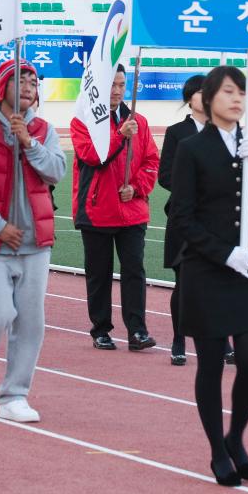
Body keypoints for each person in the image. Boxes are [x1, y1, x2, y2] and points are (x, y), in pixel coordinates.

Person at [168, 65, 248, 486]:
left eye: (242, 93)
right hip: (206, 269)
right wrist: (223, 253)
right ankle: (218, 451)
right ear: (209, 97)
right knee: (212, 365)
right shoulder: (193, 149)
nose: (237, 100)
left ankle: (236, 436)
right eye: (228, 92)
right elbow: (180, 216)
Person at [0, 60, 67, 422]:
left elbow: (55, 171)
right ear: (2, 86)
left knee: (31, 323)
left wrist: (28, 143)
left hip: (35, 243)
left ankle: (14, 396)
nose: (28, 86)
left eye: (33, 82)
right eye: (20, 80)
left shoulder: (42, 130)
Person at [71, 65, 160, 352]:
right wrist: (120, 135)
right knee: (99, 273)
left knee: (134, 270)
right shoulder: (83, 121)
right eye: (112, 85)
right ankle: (101, 329)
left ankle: (137, 331)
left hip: (131, 211)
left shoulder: (139, 122)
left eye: (122, 84)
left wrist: (136, 188)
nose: (118, 90)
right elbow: (92, 156)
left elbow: (151, 161)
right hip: (96, 210)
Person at [158, 74, 207, 366]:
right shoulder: (177, 132)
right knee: (184, 282)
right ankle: (179, 338)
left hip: (217, 220)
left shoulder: (226, 130)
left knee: (216, 283)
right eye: (202, 92)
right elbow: (165, 175)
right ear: (190, 98)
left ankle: (219, 339)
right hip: (185, 218)